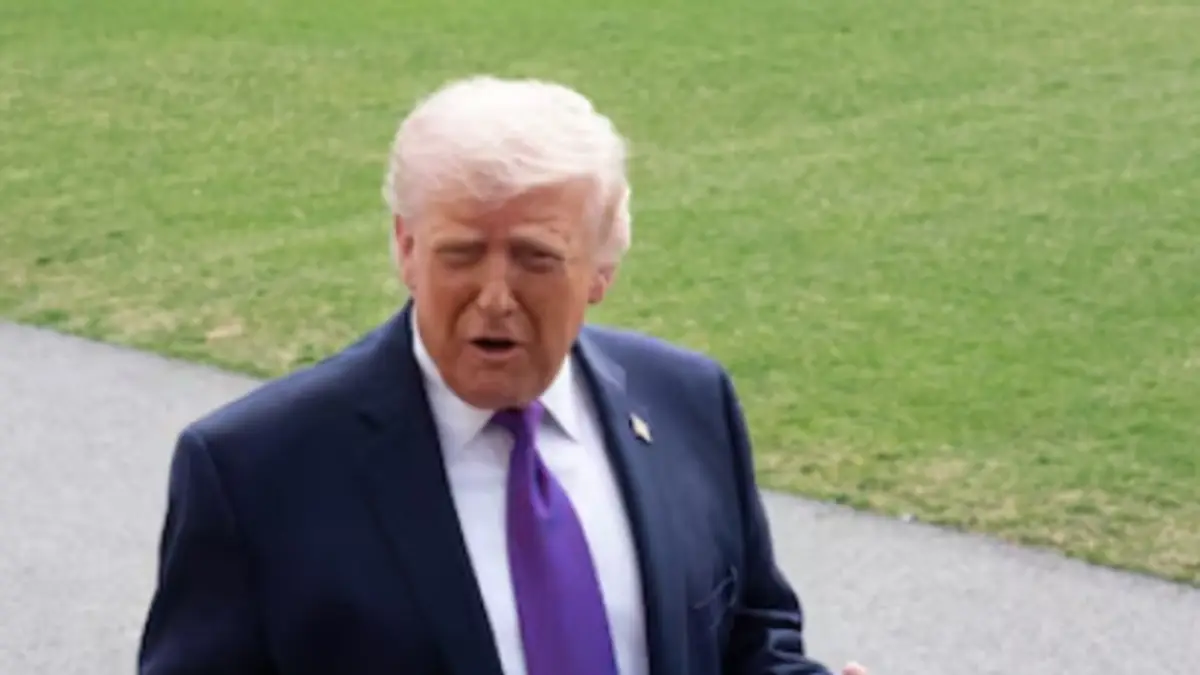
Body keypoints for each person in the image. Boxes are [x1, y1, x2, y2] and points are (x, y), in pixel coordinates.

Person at [137, 75, 869, 675]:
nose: (494, 296)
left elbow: (749, 639)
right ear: (406, 248)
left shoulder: (689, 402)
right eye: (460, 254)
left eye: (535, 258)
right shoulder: (256, 471)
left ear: (601, 268)